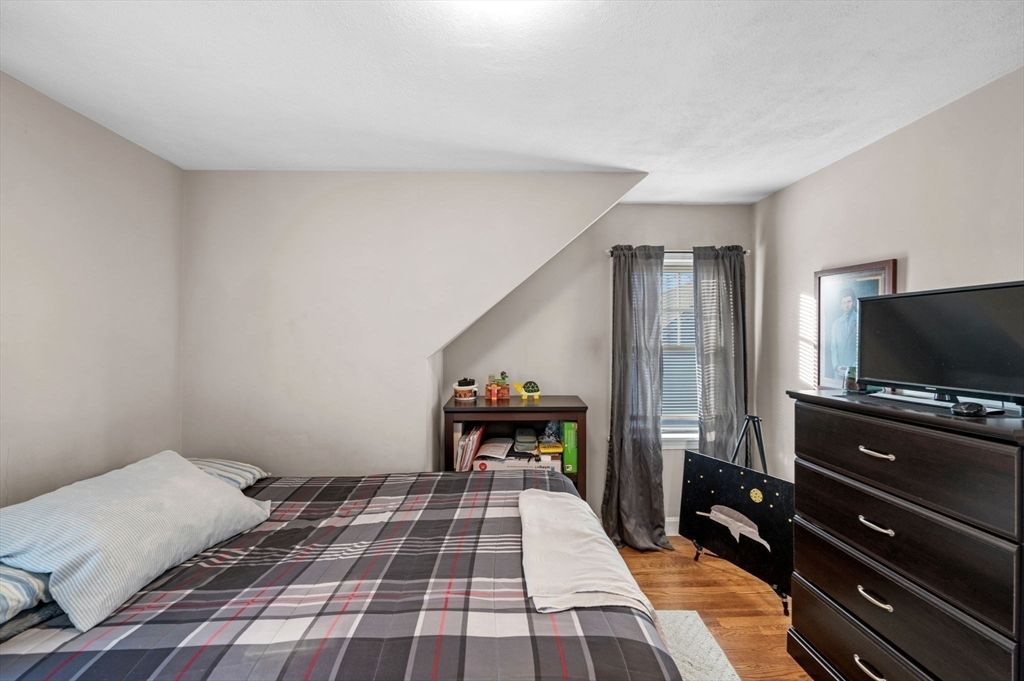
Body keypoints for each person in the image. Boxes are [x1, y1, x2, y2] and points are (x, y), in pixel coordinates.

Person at [831, 288, 858, 378]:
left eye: (849, 301)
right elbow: (833, 348)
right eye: (844, 302)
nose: (847, 305)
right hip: (839, 372)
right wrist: (836, 366)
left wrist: (853, 367)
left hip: (855, 371)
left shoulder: (860, 319)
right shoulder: (836, 324)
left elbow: (863, 348)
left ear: (854, 302)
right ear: (840, 305)